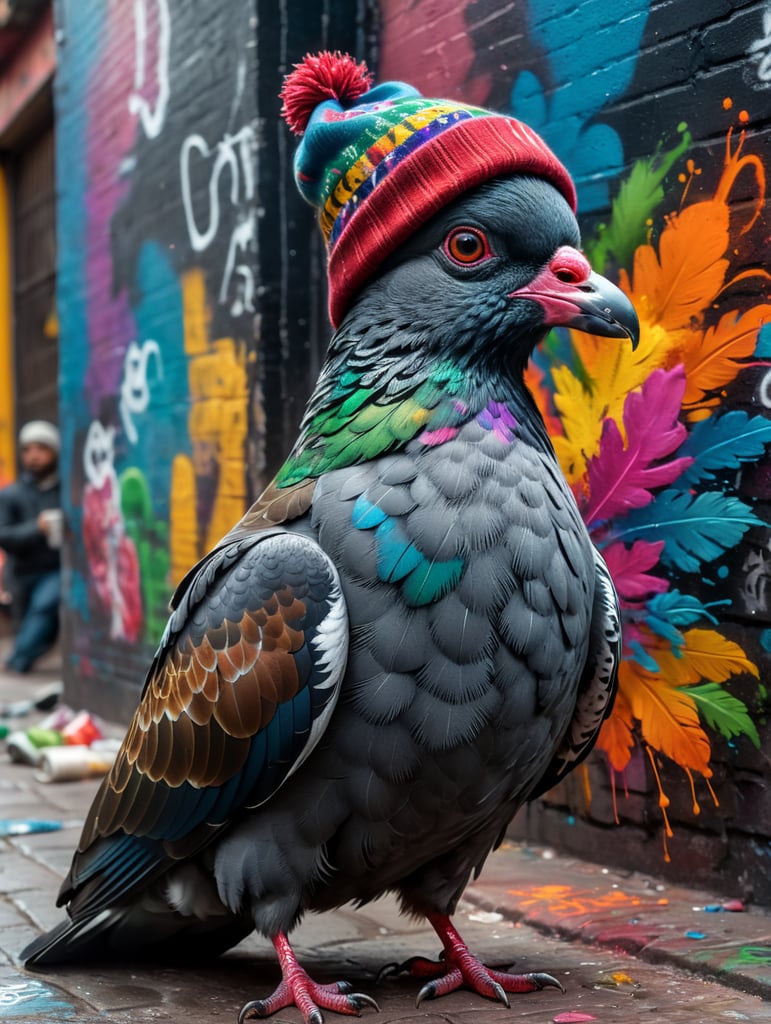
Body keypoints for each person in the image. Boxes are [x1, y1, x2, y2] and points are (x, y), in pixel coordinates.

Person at [0, 420, 62, 672]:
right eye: (28, 449)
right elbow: (3, 535)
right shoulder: (11, 495)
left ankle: (17, 662)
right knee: (32, 623)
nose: (34, 456)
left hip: (54, 570)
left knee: (43, 607)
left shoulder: (66, 492)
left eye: (41, 449)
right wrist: (36, 528)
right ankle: (22, 659)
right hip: (21, 572)